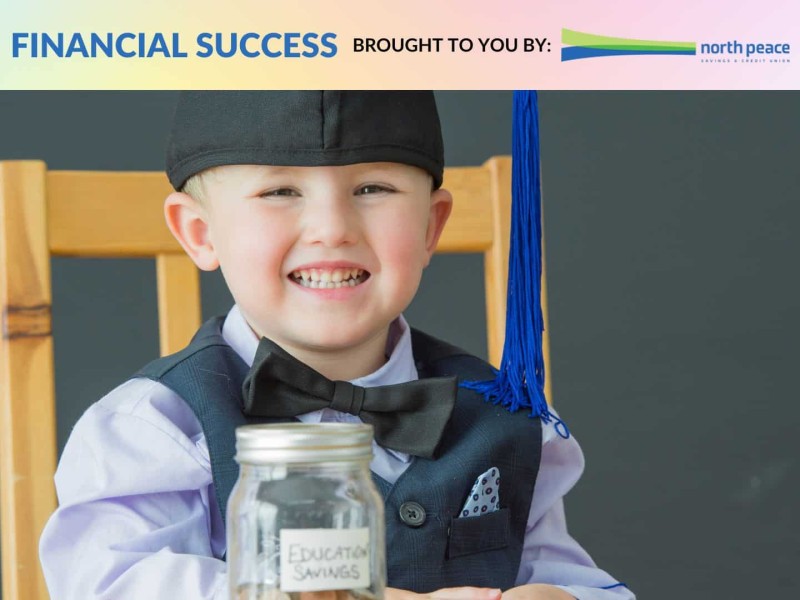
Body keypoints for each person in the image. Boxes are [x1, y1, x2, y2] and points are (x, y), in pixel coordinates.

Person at [39, 91, 634, 600]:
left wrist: (555, 594)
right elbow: (113, 583)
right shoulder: (157, 430)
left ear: (431, 226)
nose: (333, 227)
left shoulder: (498, 415)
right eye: (279, 192)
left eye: (373, 188)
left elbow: (567, 573)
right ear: (200, 233)